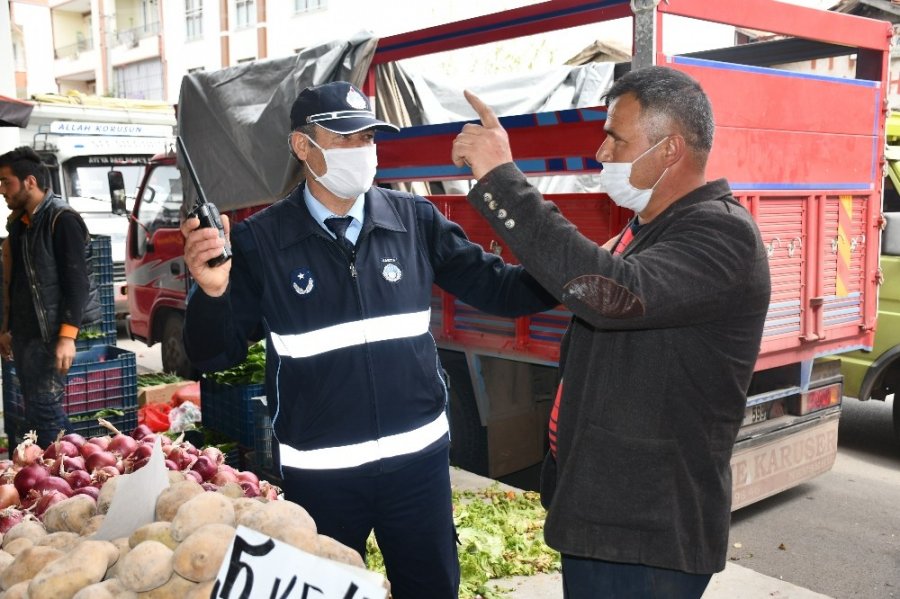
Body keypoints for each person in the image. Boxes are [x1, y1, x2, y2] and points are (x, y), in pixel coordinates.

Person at [180, 80, 558, 597]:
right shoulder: (260, 242)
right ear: (302, 147)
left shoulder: (414, 220)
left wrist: (573, 268)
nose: (361, 152)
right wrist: (212, 292)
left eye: (368, 139)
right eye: (344, 139)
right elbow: (211, 352)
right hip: (322, 481)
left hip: (417, 471)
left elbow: (502, 288)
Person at [451, 66, 771, 598]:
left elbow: (610, 293)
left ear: (669, 150)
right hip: (609, 517)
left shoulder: (722, 233)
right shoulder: (649, 227)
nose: (602, 152)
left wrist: (502, 178)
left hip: (647, 537)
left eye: (615, 138)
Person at [0, 146, 102, 448]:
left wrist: (67, 336)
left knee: (45, 411)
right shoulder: (20, 225)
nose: (2, 190)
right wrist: (5, 328)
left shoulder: (63, 219)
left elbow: (77, 283)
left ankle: (75, 464)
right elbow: (13, 281)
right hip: (26, 334)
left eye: (6, 182)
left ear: (29, 182)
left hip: (52, 333)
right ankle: (66, 465)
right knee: (35, 408)